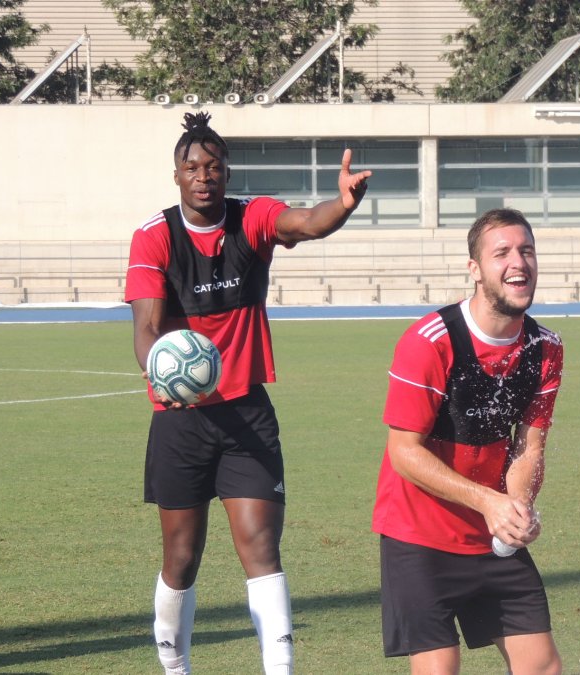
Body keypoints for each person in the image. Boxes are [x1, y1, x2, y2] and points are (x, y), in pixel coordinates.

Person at [124, 111, 373, 675]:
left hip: (246, 415)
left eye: (213, 166)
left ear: (228, 173)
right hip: (180, 418)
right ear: (177, 175)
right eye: (192, 167)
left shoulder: (253, 217)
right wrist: (161, 372)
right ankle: (176, 668)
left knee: (261, 548)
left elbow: (305, 222)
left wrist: (343, 205)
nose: (203, 175)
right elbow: (146, 326)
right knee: (181, 559)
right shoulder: (154, 235)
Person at [372, 208, 564, 675]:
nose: (518, 262)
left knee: (542, 667)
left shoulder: (546, 348)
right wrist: (488, 503)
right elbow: (404, 451)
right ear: (475, 269)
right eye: (501, 253)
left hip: (489, 533)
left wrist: (516, 510)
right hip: (419, 535)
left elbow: (528, 447)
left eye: (526, 250)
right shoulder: (429, 341)